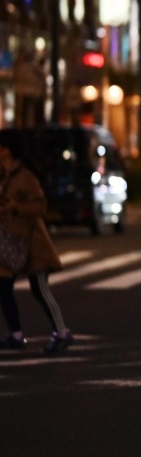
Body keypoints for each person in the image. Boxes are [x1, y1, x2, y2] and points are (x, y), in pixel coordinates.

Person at [0, 129, 74, 354]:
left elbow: (40, 207)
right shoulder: (5, 174)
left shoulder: (26, 176)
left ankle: (62, 333)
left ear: (7, 150)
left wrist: (16, 208)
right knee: (3, 287)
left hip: (33, 244)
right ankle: (16, 334)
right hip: (9, 242)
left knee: (39, 289)